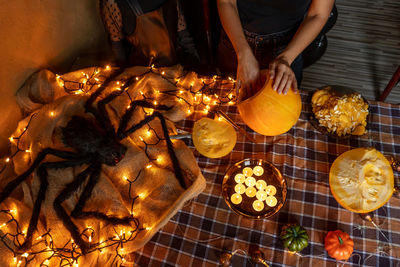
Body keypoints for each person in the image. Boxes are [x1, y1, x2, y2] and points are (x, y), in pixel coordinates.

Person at [217, 0, 334, 97]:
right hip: (236, 41)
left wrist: (286, 58)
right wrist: (242, 53)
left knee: (280, 116)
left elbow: (318, 14)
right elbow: (226, 2)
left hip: (288, 47)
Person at [100, 0, 199, 68]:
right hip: (144, 79)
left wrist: (196, 63)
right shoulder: (113, 2)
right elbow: (117, 45)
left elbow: (184, 35)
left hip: (178, 71)